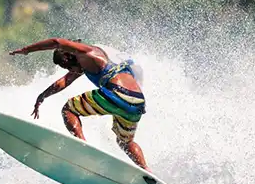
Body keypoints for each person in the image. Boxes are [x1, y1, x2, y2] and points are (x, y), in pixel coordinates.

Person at [9, 38, 151, 172]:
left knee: (69, 109)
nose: (69, 70)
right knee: (125, 142)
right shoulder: (89, 62)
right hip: (137, 103)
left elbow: (56, 41)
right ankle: (146, 170)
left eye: (66, 66)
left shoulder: (88, 53)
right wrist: (43, 96)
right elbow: (64, 81)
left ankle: (83, 147)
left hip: (118, 94)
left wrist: (26, 49)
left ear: (67, 56)